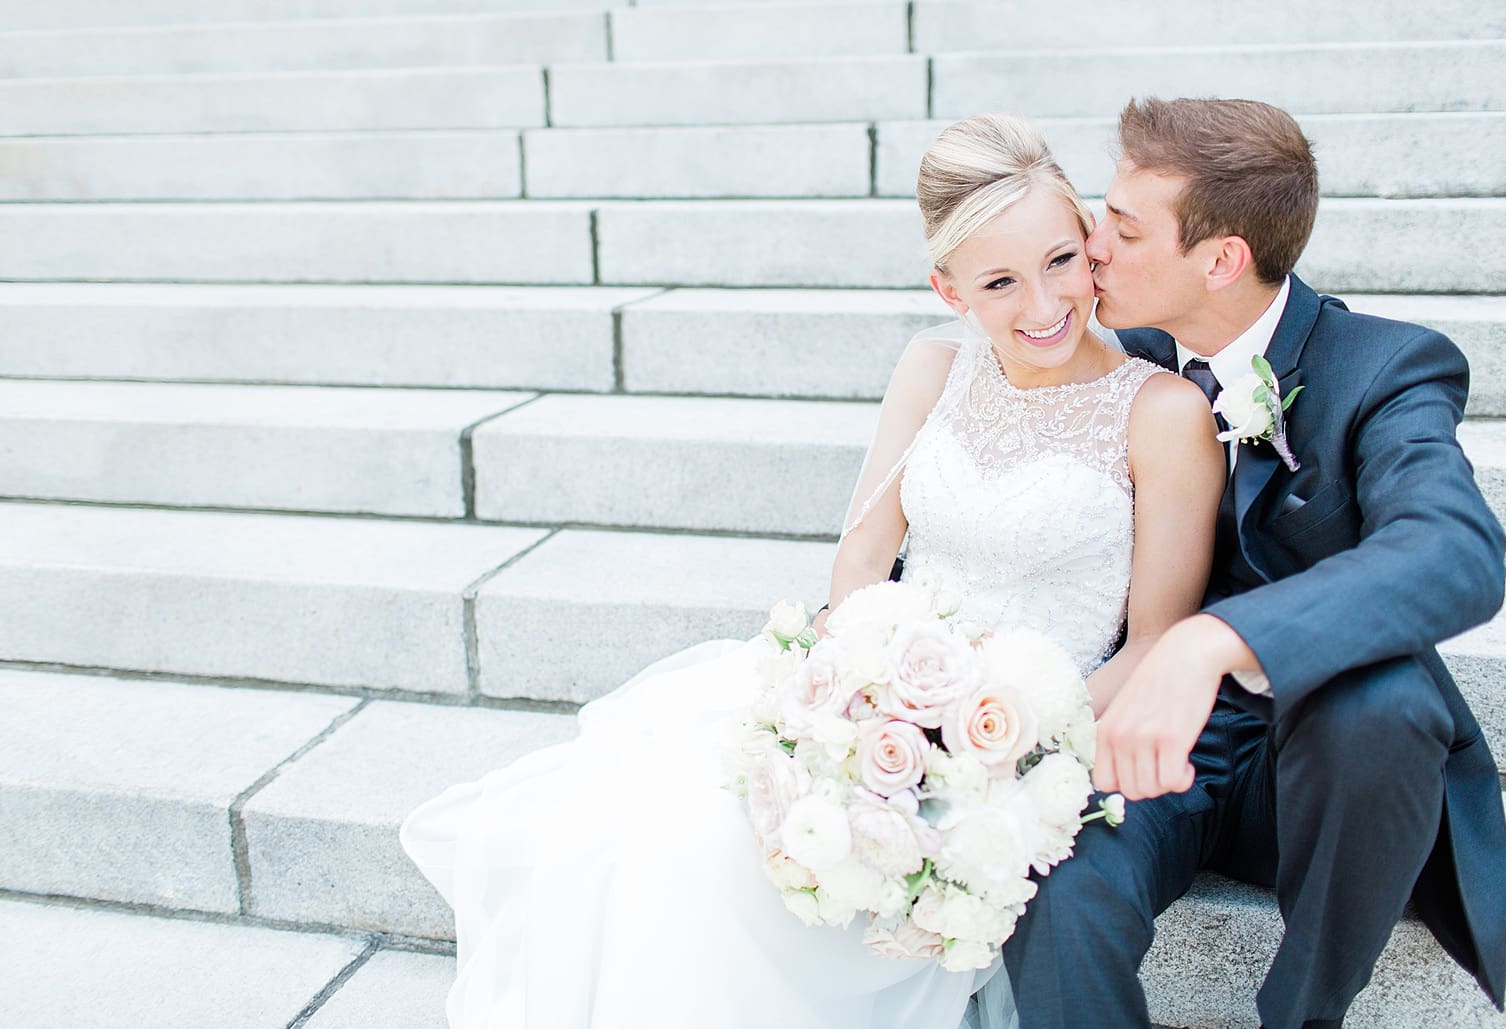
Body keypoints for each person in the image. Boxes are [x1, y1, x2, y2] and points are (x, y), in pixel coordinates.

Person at [398, 113, 1223, 1028]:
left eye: (1061, 260)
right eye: (1000, 281)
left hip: (1027, 742)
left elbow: (1153, 641)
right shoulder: (931, 369)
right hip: (881, 705)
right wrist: (853, 707)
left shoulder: (1159, 413)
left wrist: (990, 750)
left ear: (1089, 244)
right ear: (947, 289)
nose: (1042, 305)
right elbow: (866, 556)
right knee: (664, 838)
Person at [1001, 97, 1506, 1029]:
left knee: (1386, 701)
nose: (1090, 242)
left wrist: (1214, 639)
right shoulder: (1119, 355)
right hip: (1150, 747)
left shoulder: (1384, 369)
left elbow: (1458, 552)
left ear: (1222, 259)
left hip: (1323, 776)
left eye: (1121, 225)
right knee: (1049, 875)